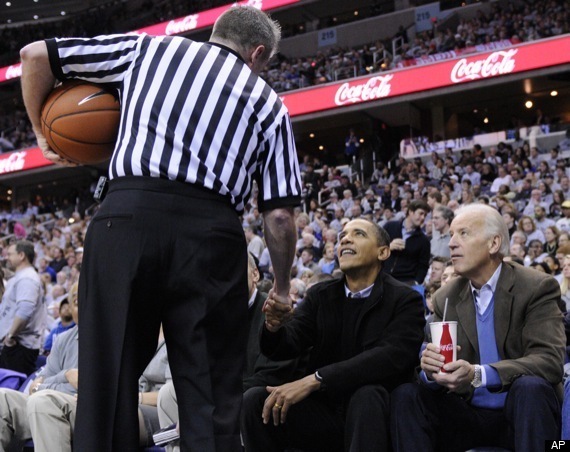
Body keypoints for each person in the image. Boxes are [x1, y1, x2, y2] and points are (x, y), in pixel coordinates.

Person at [20, 6, 302, 451]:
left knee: (105, 381)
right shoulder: (269, 102)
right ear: (259, 53)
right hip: (211, 235)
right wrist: (282, 287)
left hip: (126, 218)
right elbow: (281, 216)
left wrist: (41, 133)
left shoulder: (148, 50)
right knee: (209, 397)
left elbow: (34, 54)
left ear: (216, 33)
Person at [391, 204, 565, 451]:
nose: (451, 243)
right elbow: (432, 364)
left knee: (530, 387)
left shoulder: (537, 287)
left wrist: (478, 374)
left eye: (463, 233)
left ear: (494, 244)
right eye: (451, 234)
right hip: (467, 415)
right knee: (407, 395)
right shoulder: (445, 296)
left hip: (520, 417)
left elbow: (549, 361)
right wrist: (430, 371)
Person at [241, 219, 425, 452]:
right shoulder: (321, 295)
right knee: (255, 400)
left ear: (383, 252)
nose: (345, 239)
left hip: (378, 415)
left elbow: (390, 357)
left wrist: (316, 379)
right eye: (342, 236)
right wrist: (273, 327)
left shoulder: (405, 299)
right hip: (324, 411)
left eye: (358, 234)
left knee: (366, 395)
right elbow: (288, 344)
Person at [157, 253, 304, 452]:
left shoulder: (274, 314)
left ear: (255, 275)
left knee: (248, 400)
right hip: (227, 397)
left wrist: (215, 399)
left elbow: (270, 377)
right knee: (168, 394)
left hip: (260, 400)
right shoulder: (216, 318)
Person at [0, 240, 46, 375]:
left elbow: (25, 311)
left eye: (10, 254)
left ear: (21, 255)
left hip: (19, 347)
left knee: (10, 391)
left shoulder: (27, 278)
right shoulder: (20, 277)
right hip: (14, 347)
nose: (7, 257)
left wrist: (10, 336)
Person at [383, 199, 431, 285]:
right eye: (421, 213)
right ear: (411, 212)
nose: (423, 218)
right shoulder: (390, 226)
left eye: (425, 215)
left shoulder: (424, 240)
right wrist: (388, 247)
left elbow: (423, 266)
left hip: (405, 283)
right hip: (383, 277)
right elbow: (375, 247)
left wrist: (416, 282)